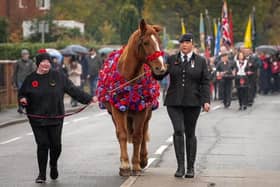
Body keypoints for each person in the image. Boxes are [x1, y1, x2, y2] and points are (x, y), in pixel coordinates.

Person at [18, 53, 97, 183]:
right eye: (43, 62)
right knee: (42, 144)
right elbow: (22, 94)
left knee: (56, 145)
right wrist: (22, 100)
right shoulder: (30, 79)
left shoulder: (58, 76)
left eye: (48, 62)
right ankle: (42, 174)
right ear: (38, 63)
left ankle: (53, 164)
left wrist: (89, 98)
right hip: (37, 118)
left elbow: (73, 90)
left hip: (55, 116)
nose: (45, 64)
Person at [153, 33, 210, 178]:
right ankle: (180, 167)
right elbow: (160, 76)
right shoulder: (172, 59)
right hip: (174, 102)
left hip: (193, 102)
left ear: (192, 44)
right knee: (178, 131)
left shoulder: (200, 61)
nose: (184, 45)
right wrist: (156, 68)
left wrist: (206, 100)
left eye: (187, 42)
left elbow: (205, 82)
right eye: (182, 42)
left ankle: (190, 168)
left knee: (190, 133)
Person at [13, 49, 36, 113]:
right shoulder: (18, 62)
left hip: (28, 81)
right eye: (24, 55)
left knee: (28, 94)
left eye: (26, 54)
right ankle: (20, 107)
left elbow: (33, 71)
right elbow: (15, 72)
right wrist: (14, 82)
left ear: (28, 55)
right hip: (20, 80)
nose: (25, 56)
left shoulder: (31, 62)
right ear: (22, 55)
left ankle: (26, 106)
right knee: (20, 94)